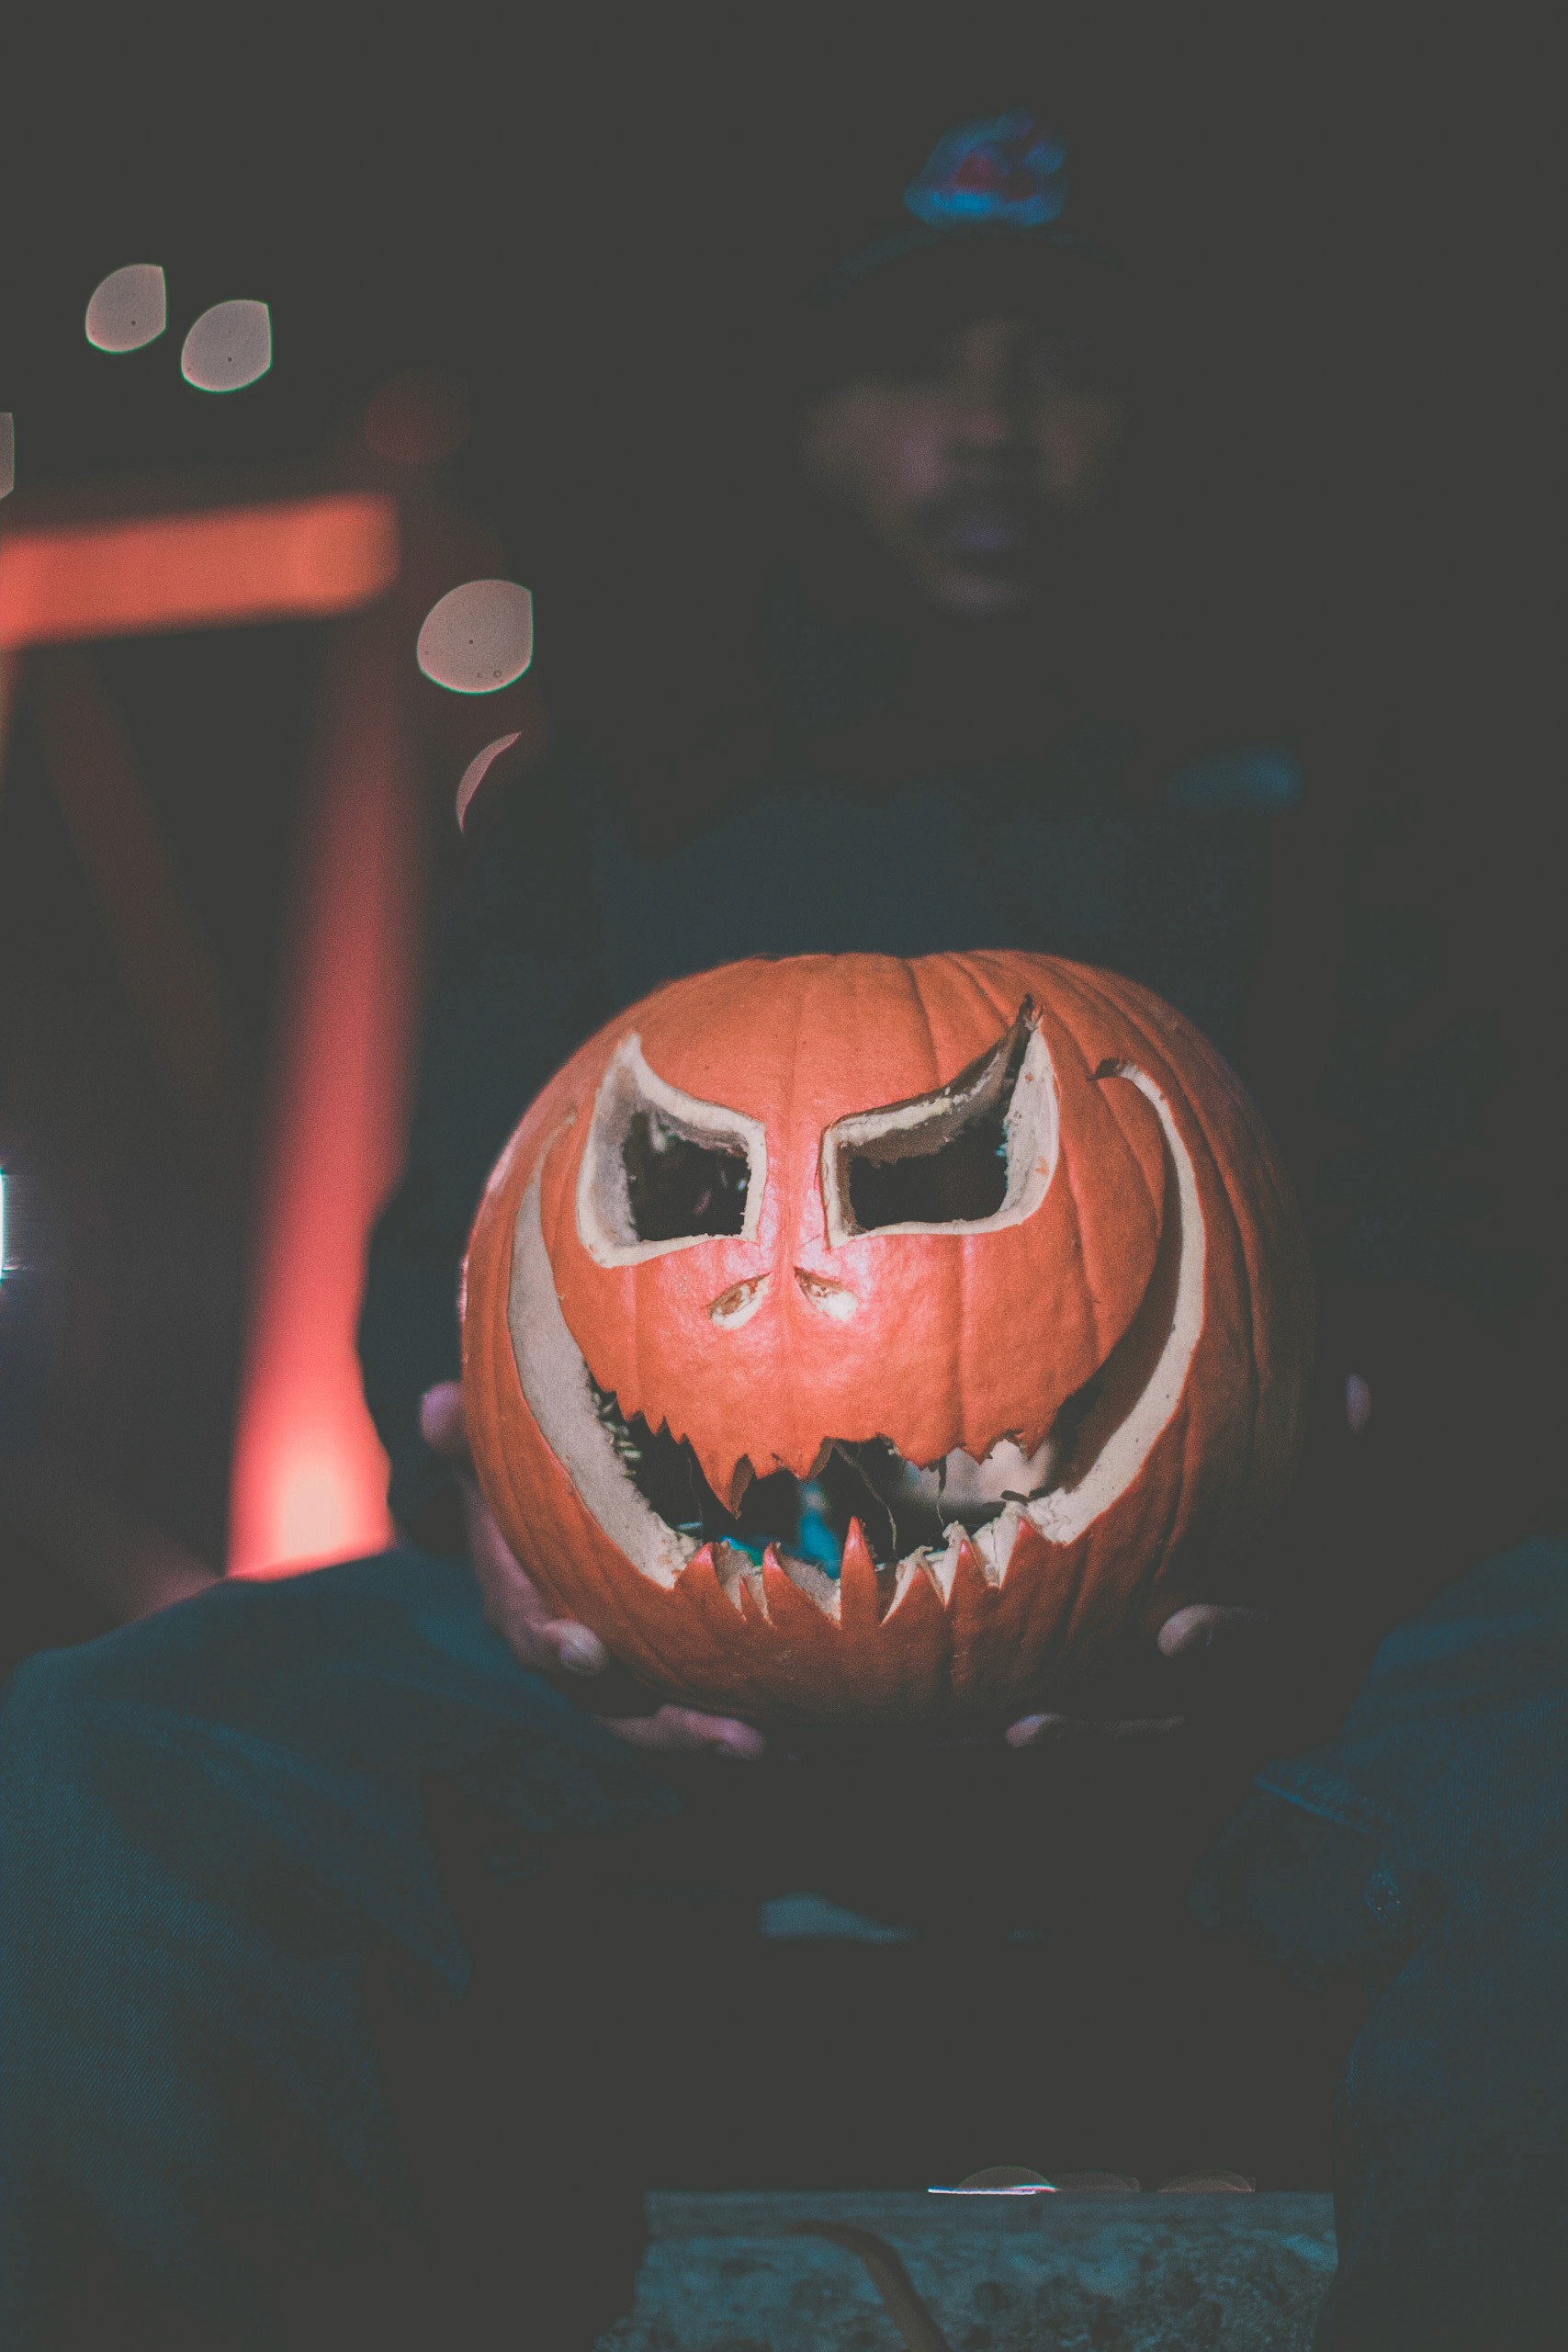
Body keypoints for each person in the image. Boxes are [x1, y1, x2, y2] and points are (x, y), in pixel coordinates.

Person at [1, 115, 1560, 2352]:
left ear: (1150, 409)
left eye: (1055, 363)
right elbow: (447, 1271)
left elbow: (1481, 1263)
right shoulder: (608, 803)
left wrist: (1331, 1489)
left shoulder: (1344, 802)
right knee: (121, 1751)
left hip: (1233, 1659)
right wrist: (502, 1510)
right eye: (921, 361)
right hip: (667, 1676)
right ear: (809, 411)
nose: (989, 422)